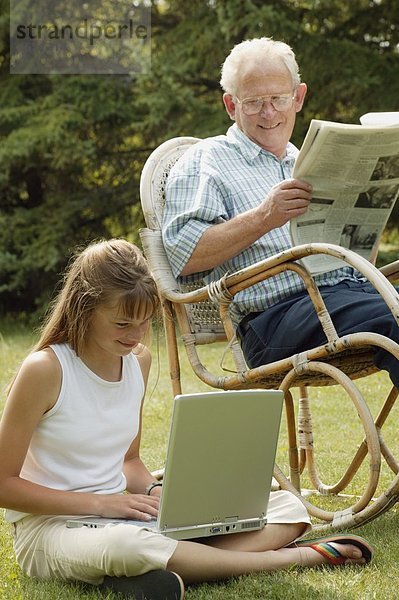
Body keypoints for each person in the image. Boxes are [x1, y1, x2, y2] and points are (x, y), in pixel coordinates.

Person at [0, 239, 373, 600]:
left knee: (286, 509)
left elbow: (129, 462)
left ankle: (161, 572)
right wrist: (102, 505)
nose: (136, 336)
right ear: (84, 308)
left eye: (145, 323)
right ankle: (292, 557)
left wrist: (155, 494)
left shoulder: (137, 362)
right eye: (122, 324)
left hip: (122, 519)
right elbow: (4, 485)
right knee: (127, 546)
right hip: (51, 530)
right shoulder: (46, 369)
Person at [162, 36, 399, 388]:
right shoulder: (205, 161)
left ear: (298, 97)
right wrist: (264, 217)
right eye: (255, 102)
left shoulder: (308, 159)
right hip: (276, 318)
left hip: (348, 296)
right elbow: (184, 254)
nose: (269, 112)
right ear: (231, 105)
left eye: (278, 99)